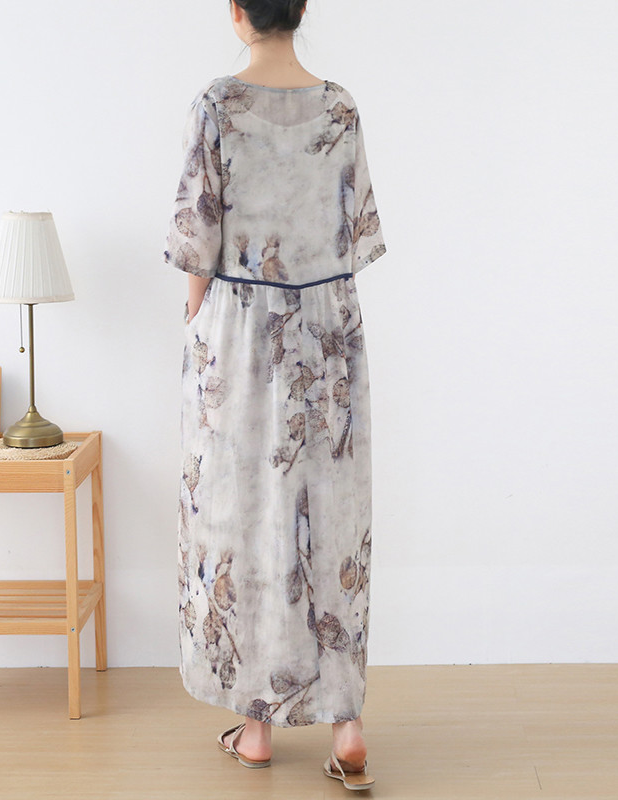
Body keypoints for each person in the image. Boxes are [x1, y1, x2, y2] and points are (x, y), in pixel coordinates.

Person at [163, 0, 385, 790]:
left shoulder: (216, 105)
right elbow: (354, 237)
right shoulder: (340, 107)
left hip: (239, 329)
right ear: (302, 8)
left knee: (243, 514)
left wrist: (195, 325)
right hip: (328, 332)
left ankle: (255, 729)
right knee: (331, 516)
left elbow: (197, 242)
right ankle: (347, 727)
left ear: (237, 12)